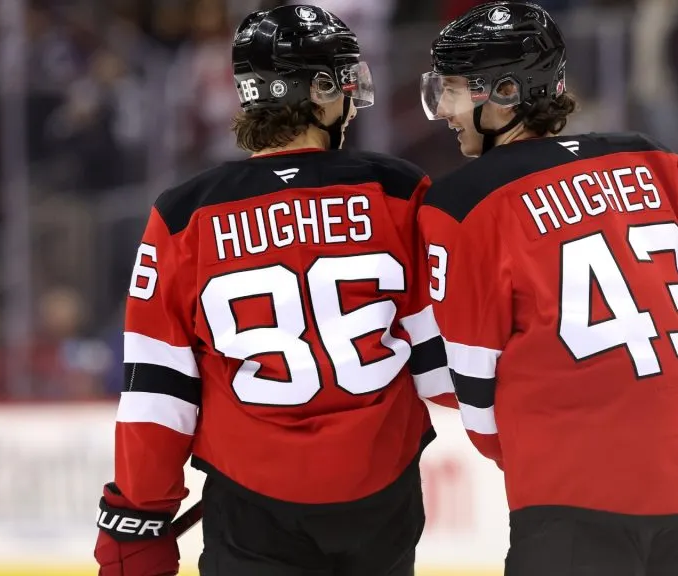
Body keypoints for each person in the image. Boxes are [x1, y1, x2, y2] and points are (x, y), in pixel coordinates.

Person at [93, 5, 453, 576]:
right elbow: (444, 364)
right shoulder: (397, 189)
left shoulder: (184, 215)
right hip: (381, 498)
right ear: (320, 90)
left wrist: (137, 511)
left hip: (253, 502)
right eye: (344, 79)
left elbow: (159, 390)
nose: (353, 95)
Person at [416, 2, 678, 575]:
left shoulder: (462, 204)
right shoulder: (655, 162)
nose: (443, 110)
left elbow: (474, 386)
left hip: (570, 495)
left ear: (504, 93)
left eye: (452, 90)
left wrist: (537, 458)